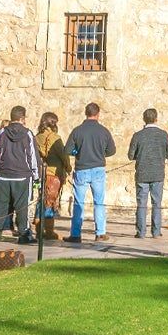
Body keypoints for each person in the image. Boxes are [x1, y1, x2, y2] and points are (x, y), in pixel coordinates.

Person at [0, 106, 40, 244]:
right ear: (22, 118)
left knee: (0, 205)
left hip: (3, 174)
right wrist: (36, 175)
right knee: (22, 206)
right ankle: (24, 234)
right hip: (22, 175)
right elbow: (33, 155)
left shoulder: (2, 132)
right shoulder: (27, 133)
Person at [67, 102, 115, 243]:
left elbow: (68, 150)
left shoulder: (77, 131)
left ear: (85, 113)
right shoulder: (103, 131)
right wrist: (101, 153)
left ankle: (76, 234)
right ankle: (100, 233)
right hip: (98, 168)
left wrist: (77, 151)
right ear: (98, 114)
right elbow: (112, 150)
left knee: (78, 202)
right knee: (99, 202)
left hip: (82, 168)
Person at [129, 108, 168, 238]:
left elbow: (131, 156)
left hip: (142, 173)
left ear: (144, 119)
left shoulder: (137, 135)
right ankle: (156, 231)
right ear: (156, 119)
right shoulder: (163, 134)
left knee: (141, 204)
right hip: (158, 173)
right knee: (156, 203)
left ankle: (141, 232)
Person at [35, 112, 71, 240]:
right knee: (50, 202)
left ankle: (39, 230)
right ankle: (49, 232)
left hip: (41, 173)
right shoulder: (55, 138)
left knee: (41, 200)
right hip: (53, 174)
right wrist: (69, 167)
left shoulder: (37, 137)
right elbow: (64, 155)